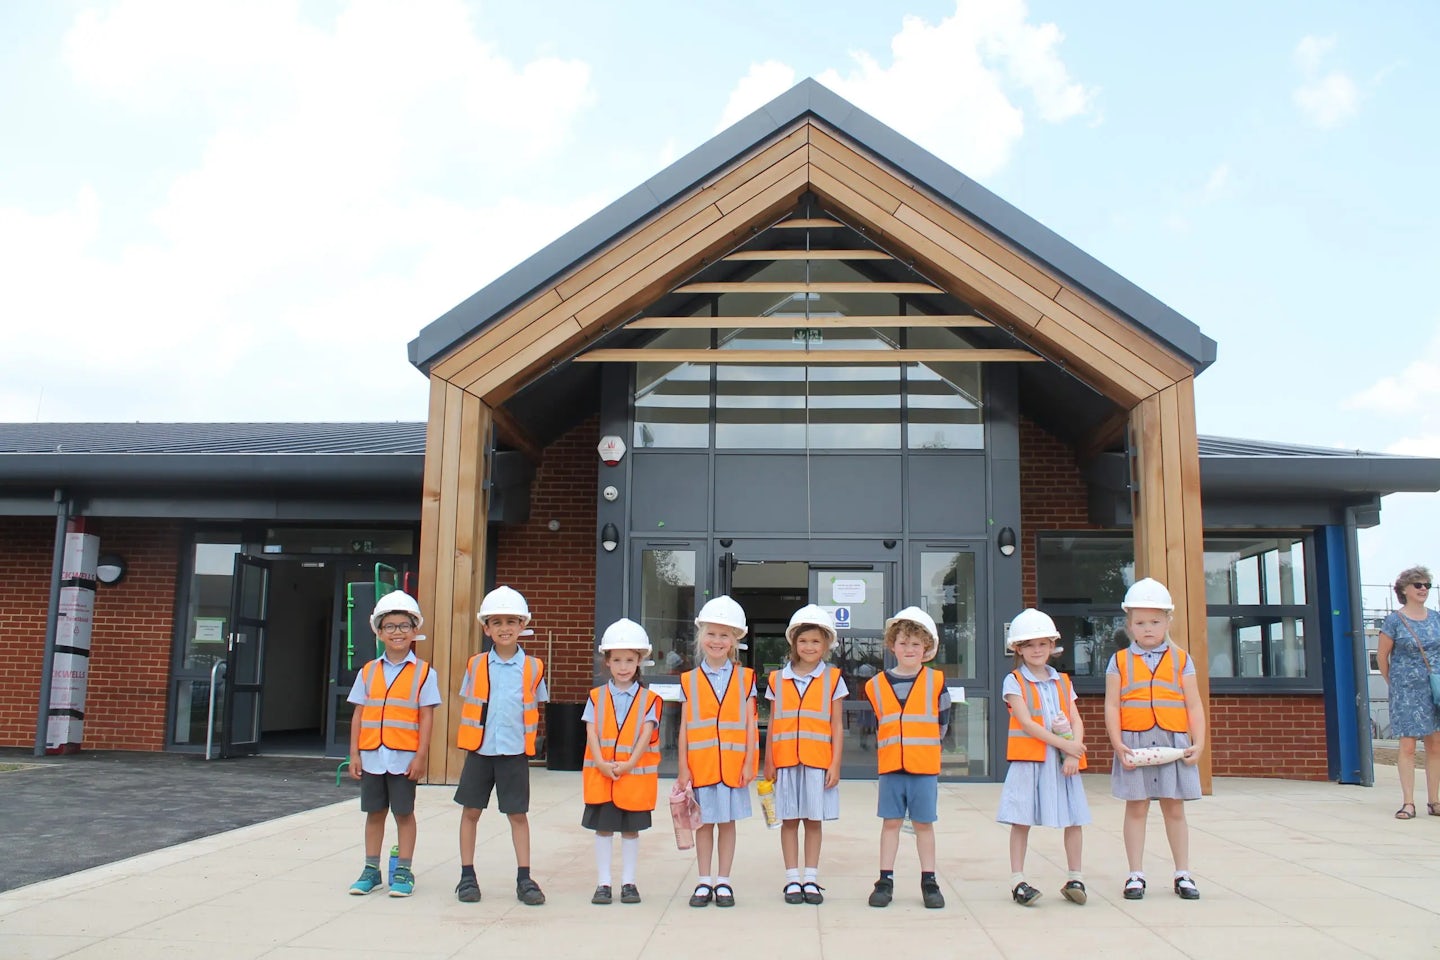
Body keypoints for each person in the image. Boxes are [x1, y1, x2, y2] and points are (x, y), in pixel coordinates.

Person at [1104, 577, 1206, 901]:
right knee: (1136, 808)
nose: (1148, 628)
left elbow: (1194, 703)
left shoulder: (1182, 659)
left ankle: (1183, 873)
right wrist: (1117, 742)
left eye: (1155, 622)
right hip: (1134, 743)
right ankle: (1136, 874)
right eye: (1140, 622)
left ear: (1167, 621)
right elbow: (1111, 704)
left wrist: (1199, 742)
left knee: (1174, 809)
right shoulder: (1118, 661)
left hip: (1173, 743)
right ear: (1129, 624)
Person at [454, 585, 548, 905]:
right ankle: (467, 876)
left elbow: (535, 704)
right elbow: (471, 701)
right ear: (486, 628)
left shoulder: (534, 668)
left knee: (517, 815)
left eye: (511, 621)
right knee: (471, 812)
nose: (504, 628)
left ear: (523, 625)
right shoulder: (476, 664)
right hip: (480, 752)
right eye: (497, 622)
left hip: (514, 754)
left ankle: (525, 878)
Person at [346, 590, 441, 897]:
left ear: (415, 631)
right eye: (390, 626)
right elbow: (359, 714)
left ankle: (403, 869)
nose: (397, 632)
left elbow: (426, 718)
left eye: (404, 626)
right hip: (372, 756)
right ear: (379, 632)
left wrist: (421, 757)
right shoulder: (368, 671)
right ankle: (371, 870)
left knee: (403, 813)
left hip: (403, 758)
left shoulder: (425, 673)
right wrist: (354, 754)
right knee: (374, 813)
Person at [996, 609, 1090, 906]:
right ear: (1018, 649)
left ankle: (1076, 876)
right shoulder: (1013, 681)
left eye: (1042, 644)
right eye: (1029, 645)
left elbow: (1076, 718)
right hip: (1029, 761)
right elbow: (1027, 723)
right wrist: (1067, 747)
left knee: (1074, 818)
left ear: (1052, 646)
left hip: (1063, 762)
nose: (1037, 650)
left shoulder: (1063, 681)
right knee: (1020, 819)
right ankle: (1017, 879)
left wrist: (1074, 749)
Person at [863, 606, 949, 910]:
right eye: (903, 642)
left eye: (916, 643)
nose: (909, 648)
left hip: (924, 767)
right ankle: (884, 880)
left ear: (926, 647)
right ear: (892, 645)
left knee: (924, 824)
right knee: (891, 823)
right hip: (891, 768)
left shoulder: (936, 681)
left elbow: (943, 722)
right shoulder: (875, 685)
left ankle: (929, 881)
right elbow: (878, 723)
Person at [676, 595, 757, 908]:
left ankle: (724, 881)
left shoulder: (745, 678)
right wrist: (683, 767)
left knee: (728, 823)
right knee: (704, 824)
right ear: (701, 637)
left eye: (725, 635)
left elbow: (751, 724)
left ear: (735, 640)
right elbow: (684, 727)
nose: (717, 640)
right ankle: (703, 880)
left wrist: (752, 761)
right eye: (711, 633)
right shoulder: (689, 680)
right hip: (701, 765)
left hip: (733, 766)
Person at [764, 604, 845, 905]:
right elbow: (773, 721)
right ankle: (791, 880)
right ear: (793, 643)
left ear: (826, 645)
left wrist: (835, 762)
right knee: (788, 820)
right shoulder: (777, 679)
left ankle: (810, 877)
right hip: (785, 761)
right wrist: (768, 759)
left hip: (817, 762)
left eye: (815, 641)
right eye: (803, 640)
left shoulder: (834, 678)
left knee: (813, 821)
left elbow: (836, 724)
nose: (809, 646)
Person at [583, 619, 663, 905]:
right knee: (603, 829)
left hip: (634, 778)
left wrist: (628, 764)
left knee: (631, 831)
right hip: (602, 776)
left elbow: (646, 735)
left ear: (640, 661)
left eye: (630, 660)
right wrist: (602, 763)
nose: (624, 666)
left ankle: (629, 882)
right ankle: (603, 883)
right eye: (617, 660)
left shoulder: (650, 699)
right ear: (607, 662)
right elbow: (591, 733)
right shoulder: (595, 697)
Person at [1376, 566, 1440, 819]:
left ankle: (1435, 800)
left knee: (1435, 745)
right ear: (1404, 590)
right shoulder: (1394, 621)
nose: (1423, 589)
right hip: (1406, 692)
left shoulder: (1436, 618)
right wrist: (1394, 683)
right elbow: (1382, 656)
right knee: (1408, 746)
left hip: (1434, 689)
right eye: (1418, 585)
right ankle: (1408, 802)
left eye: (1427, 585)